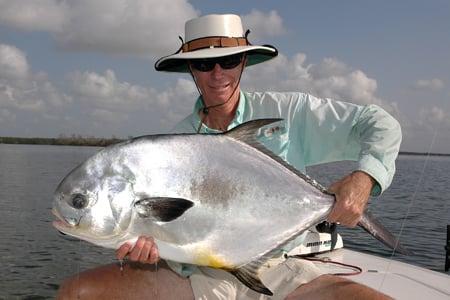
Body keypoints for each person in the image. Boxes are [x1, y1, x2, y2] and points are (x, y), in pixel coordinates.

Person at [57, 14, 401, 299]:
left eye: (229, 61)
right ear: (191, 69)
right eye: (204, 63)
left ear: (244, 63)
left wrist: (364, 178)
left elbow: (380, 125)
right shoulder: (173, 144)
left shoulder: (289, 113)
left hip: (283, 266)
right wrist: (150, 251)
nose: (217, 74)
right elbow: (175, 236)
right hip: (200, 275)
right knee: (77, 291)